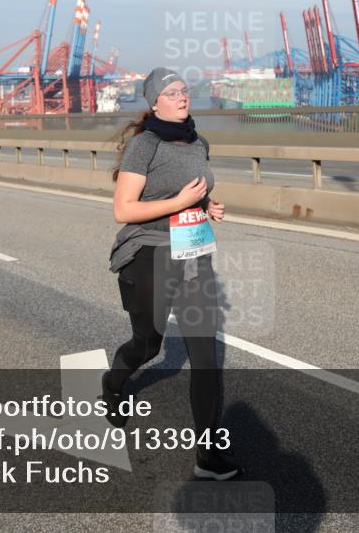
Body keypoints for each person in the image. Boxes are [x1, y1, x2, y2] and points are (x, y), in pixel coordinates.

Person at [105, 67, 239, 480]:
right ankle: (113, 383)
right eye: (172, 92)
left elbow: (193, 190)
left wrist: (207, 205)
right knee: (148, 345)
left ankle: (207, 455)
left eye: (184, 90)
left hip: (194, 253)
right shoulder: (144, 145)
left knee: (206, 358)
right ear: (154, 102)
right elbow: (123, 210)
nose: (182, 96)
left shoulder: (199, 142)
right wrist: (180, 201)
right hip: (149, 254)